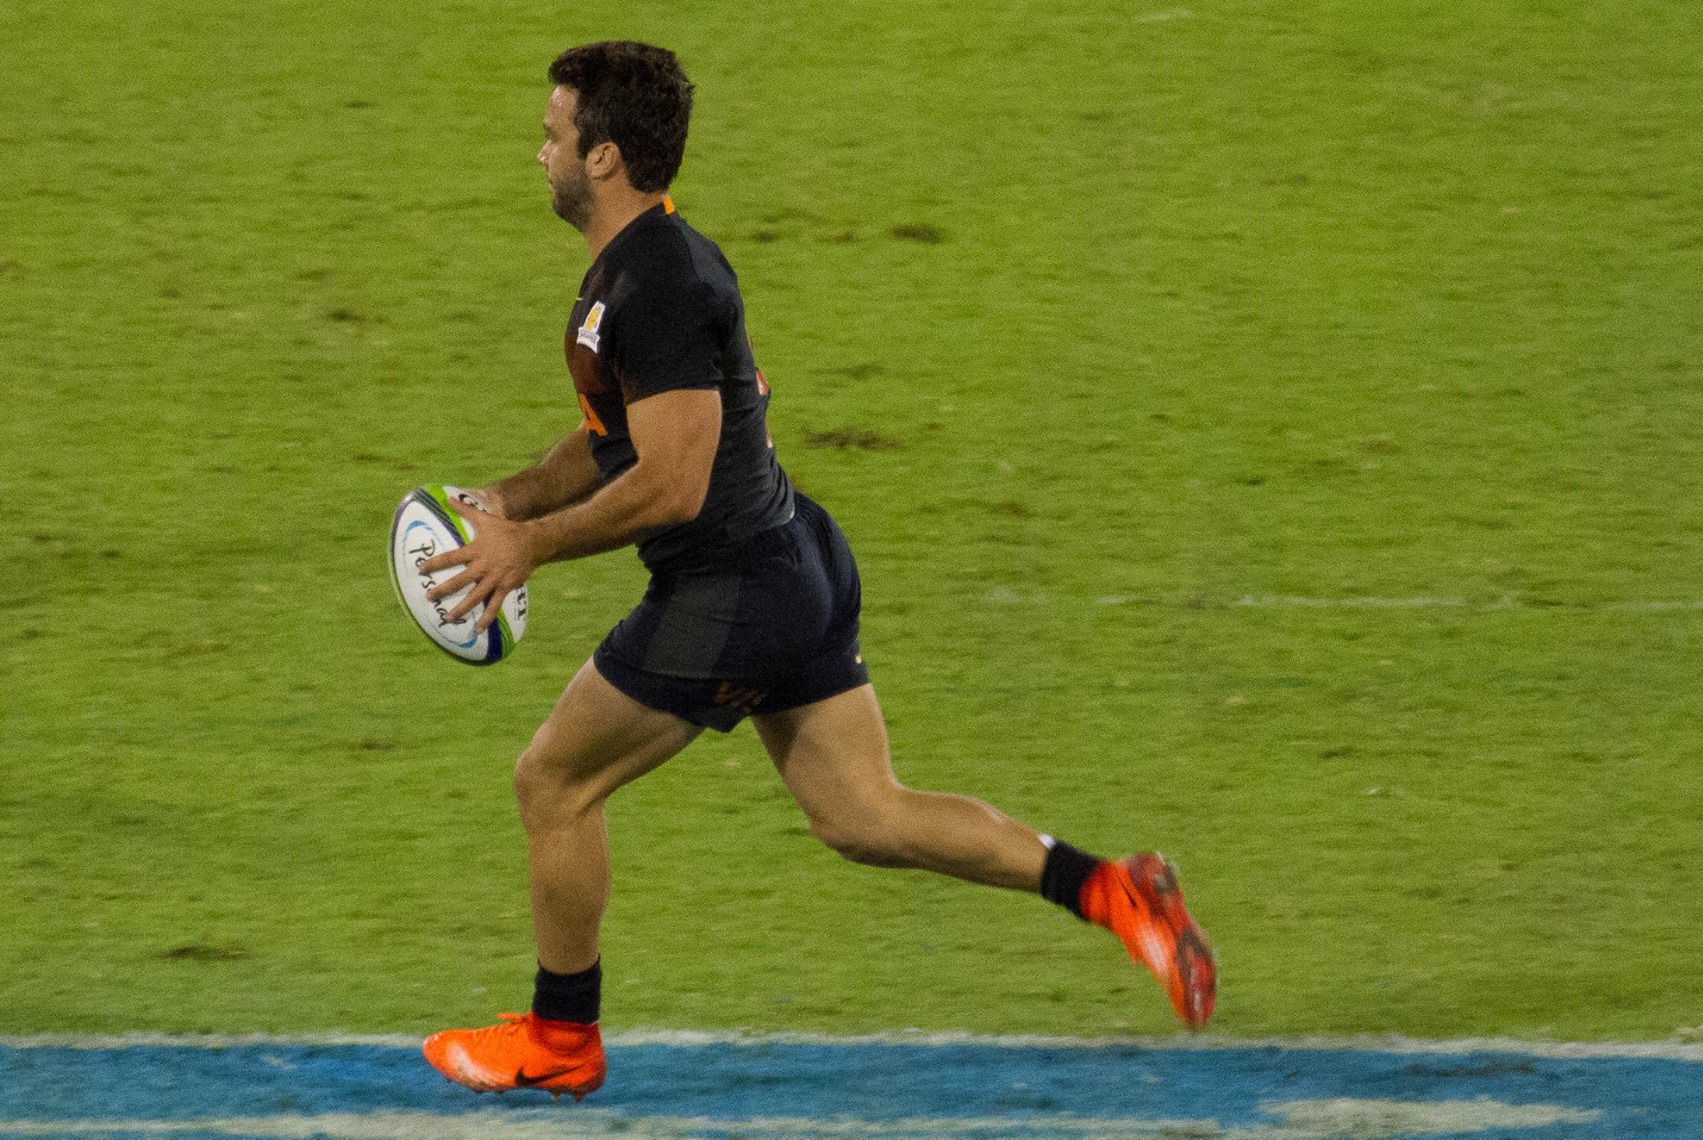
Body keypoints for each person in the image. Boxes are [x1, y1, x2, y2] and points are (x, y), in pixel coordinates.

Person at [417, 40, 1215, 1102]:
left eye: (556, 135)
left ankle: (561, 1040)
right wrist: (513, 499)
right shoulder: (642, 269)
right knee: (863, 817)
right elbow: (621, 434)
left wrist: (529, 548)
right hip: (789, 563)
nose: (540, 154)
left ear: (604, 157)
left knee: (553, 782)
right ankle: (1112, 891)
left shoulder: (655, 282)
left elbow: (672, 483)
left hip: (728, 592)